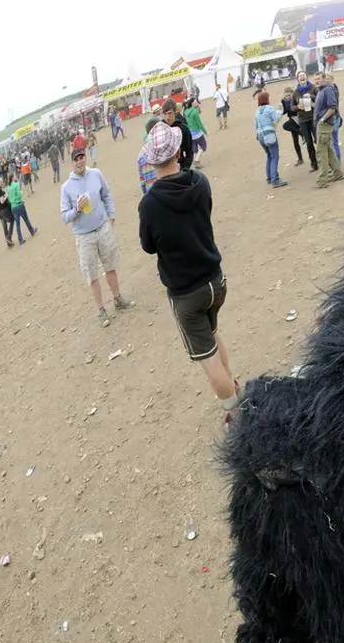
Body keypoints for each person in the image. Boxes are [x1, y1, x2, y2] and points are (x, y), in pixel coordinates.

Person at [138, 122, 243, 429]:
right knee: (213, 333)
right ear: (178, 151)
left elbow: (148, 246)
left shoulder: (150, 204)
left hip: (187, 292)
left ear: (151, 160)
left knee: (206, 357)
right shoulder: (200, 181)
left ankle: (235, 412)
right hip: (215, 280)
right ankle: (234, 386)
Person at [60, 148, 133, 328]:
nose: (80, 161)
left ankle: (117, 298)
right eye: (76, 159)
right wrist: (76, 209)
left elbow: (106, 194)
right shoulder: (66, 187)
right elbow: (64, 216)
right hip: (84, 236)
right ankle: (101, 310)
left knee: (110, 266)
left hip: (102, 228)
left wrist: (111, 214)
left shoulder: (96, 174)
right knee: (91, 275)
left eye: (82, 157)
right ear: (72, 163)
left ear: (85, 158)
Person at [312, 72, 344, 188]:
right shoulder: (321, 90)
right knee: (329, 150)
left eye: (319, 79)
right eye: (315, 79)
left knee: (321, 152)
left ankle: (322, 180)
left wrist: (323, 119)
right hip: (322, 124)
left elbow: (333, 107)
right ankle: (337, 173)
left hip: (325, 124)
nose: (317, 81)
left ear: (324, 79)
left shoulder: (328, 90)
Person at [253, 91, 287, 188]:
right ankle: (275, 179)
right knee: (275, 156)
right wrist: (280, 110)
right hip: (269, 135)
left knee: (269, 156)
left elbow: (256, 125)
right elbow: (276, 118)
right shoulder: (269, 108)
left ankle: (269, 177)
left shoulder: (257, 111)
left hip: (261, 136)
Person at [293, 72, 318, 172]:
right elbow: (292, 106)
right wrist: (297, 107)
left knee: (318, 140)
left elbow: (319, 98)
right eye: (300, 76)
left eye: (303, 75)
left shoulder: (313, 88)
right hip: (303, 120)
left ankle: (324, 161)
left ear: (307, 77)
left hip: (313, 117)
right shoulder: (296, 92)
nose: (302, 77)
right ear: (298, 79)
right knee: (309, 142)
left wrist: (311, 97)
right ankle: (314, 164)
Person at [161, 99, 194, 171]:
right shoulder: (160, 128)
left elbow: (189, 153)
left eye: (170, 113)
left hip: (180, 167)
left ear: (175, 112)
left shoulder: (184, 129)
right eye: (165, 114)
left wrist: (184, 170)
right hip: (163, 169)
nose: (167, 117)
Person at [6, 175, 36, 244]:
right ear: (12, 178)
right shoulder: (16, 184)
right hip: (19, 205)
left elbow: (9, 199)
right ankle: (32, 231)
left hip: (13, 207)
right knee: (26, 219)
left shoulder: (8, 187)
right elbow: (19, 194)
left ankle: (20, 239)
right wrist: (21, 197)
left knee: (17, 224)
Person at [279, 88, 304, 166]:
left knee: (285, 125)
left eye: (289, 95)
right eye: (286, 95)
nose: (288, 97)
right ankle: (300, 159)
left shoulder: (295, 99)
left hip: (299, 119)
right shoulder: (283, 101)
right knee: (295, 141)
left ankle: (302, 133)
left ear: (292, 94)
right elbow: (284, 112)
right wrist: (280, 110)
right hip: (292, 120)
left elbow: (297, 109)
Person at [183, 97, 209, 167]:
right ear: (192, 103)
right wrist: (205, 132)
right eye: (195, 102)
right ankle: (197, 160)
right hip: (197, 132)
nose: (196, 102)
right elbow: (199, 123)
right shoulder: (195, 111)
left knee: (195, 148)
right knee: (203, 145)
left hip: (191, 132)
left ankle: (196, 159)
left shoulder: (186, 111)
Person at [0, 177, 14, 248]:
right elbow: (2, 201)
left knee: (5, 227)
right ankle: (9, 237)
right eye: (1, 182)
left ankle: (9, 243)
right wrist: (6, 195)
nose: (2, 183)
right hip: (4, 210)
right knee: (12, 220)